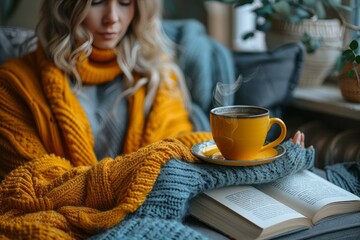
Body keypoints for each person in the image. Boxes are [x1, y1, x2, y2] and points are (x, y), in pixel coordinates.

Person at [0, 0, 314, 239]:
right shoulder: (13, 85)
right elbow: (37, 187)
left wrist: (261, 153)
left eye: (125, 2)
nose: (113, 18)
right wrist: (141, 170)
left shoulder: (157, 76)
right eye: (95, 1)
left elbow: (180, 151)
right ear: (66, 6)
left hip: (152, 212)